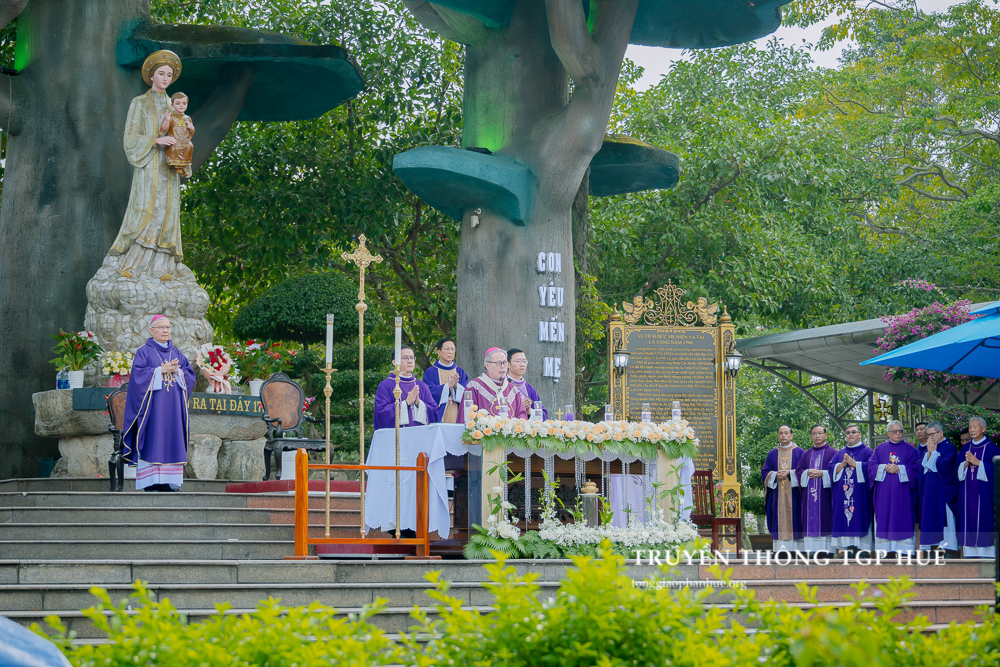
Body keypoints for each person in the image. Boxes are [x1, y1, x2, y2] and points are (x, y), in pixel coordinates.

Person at [106, 50, 188, 281]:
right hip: (149, 163)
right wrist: (155, 140)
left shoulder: (175, 108)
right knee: (145, 209)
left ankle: (162, 267)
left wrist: (183, 151)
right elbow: (130, 137)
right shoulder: (140, 103)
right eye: (161, 73)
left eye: (169, 75)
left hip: (169, 167)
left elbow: (183, 137)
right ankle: (133, 263)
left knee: (166, 211)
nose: (165, 78)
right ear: (152, 76)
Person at [121, 315, 195, 492]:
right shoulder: (144, 352)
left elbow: (189, 374)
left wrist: (178, 372)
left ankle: (170, 483)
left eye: (168, 327)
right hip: (153, 410)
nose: (165, 330)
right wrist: (159, 371)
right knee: (153, 440)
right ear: (151, 331)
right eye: (161, 327)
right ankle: (151, 482)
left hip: (173, 410)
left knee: (172, 439)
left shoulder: (176, 352)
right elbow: (137, 378)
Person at [868, 420, 919, 554]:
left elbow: (915, 469)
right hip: (884, 493)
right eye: (894, 431)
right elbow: (871, 466)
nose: (898, 434)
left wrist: (899, 468)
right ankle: (885, 551)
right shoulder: (880, 449)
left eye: (900, 431)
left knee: (902, 517)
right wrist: (884, 467)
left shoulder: (910, 449)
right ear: (888, 433)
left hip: (902, 493)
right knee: (885, 517)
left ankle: (904, 551)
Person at [829, 425, 874, 553]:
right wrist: (842, 464)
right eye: (848, 432)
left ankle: (863, 550)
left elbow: (872, 469)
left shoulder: (868, 452)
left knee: (860, 517)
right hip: (842, 496)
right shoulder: (839, 454)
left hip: (860, 496)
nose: (850, 434)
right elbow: (830, 468)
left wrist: (856, 465)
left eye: (854, 432)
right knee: (844, 519)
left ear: (860, 435)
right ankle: (845, 550)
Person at [957, 416, 997, 558]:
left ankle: (988, 557)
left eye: (975, 427)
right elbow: (958, 467)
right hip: (968, 496)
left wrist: (979, 463)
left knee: (985, 522)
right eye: (970, 427)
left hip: (984, 496)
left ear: (983, 429)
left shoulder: (992, 448)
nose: (972, 430)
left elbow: (996, 470)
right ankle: (970, 558)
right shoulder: (966, 448)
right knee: (969, 525)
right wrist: (966, 464)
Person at [794, 425, 837, 553]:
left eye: (820, 433)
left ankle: (828, 552)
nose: (817, 436)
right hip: (809, 498)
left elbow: (837, 471)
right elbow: (799, 470)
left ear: (825, 435)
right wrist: (807, 472)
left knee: (826, 519)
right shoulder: (806, 454)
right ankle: (811, 553)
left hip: (826, 496)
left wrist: (822, 473)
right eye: (814, 433)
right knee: (809, 521)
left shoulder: (833, 452)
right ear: (811, 436)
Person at [917, 421, 958, 554]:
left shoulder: (948, 447)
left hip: (942, 490)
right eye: (928, 435)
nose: (929, 438)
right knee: (930, 516)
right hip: (929, 491)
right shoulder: (929, 447)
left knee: (944, 517)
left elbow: (944, 467)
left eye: (932, 435)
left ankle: (948, 549)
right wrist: (929, 453)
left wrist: (933, 453)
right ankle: (931, 548)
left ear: (941, 433)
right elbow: (923, 468)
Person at [374, 345, 438, 430]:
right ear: (394, 362)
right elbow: (381, 413)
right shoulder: (386, 385)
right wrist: (406, 403)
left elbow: (435, 411)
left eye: (412, 358)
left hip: (420, 437)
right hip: (396, 439)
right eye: (405, 358)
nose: (410, 361)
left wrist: (419, 404)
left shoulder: (422, 386)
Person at [761, 425, 803, 552]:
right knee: (777, 519)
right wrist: (774, 475)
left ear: (791, 435)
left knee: (796, 519)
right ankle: (779, 551)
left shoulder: (800, 452)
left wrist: (790, 473)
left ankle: (796, 551)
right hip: (777, 496)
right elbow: (765, 472)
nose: (783, 435)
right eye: (780, 433)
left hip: (795, 495)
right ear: (778, 435)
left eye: (786, 433)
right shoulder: (773, 453)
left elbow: (804, 471)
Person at [465, 348, 528, 419]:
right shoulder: (474, 387)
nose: (503, 366)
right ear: (487, 365)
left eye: (505, 363)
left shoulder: (513, 389)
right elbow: (467, 417)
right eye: (498, 363)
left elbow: (521, 416)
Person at [421, 337, 468, 424]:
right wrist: (447, 387)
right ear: (439, 352)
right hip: (439, 418)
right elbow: (427, 393)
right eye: (447, 349)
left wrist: (457, 387)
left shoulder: (460, 371)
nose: (450, 352)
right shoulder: (431, 372)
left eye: (452, 349)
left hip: (458, 416)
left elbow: (468, 392)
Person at [506, 348, 548, 419]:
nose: (522, 364)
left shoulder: (529, 389)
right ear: (508, 364)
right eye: (518, 361)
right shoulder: (502, 385)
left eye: (524, 361)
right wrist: (518, 408)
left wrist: (529, 412)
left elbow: (544, 415)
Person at [162, 92, 194, 175]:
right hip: (175, 139)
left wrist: (191, 128)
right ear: (172, 105)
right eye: (178, 103)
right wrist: (167, 120)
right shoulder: (171, 116)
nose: (181, 106)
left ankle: (183, 166)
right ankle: (177, 167)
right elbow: (164, 129)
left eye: (184, 103)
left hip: (185, 140)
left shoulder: (187, 118)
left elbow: (191, 133)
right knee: (173, 148)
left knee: (189, 146)